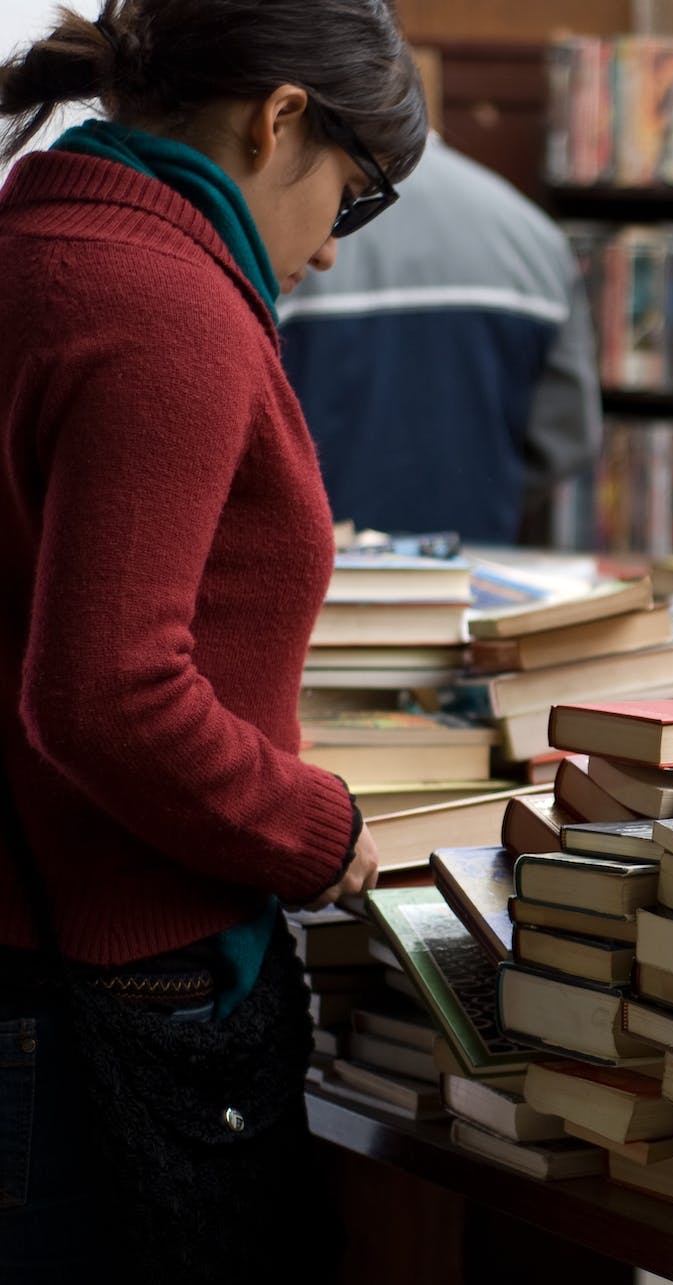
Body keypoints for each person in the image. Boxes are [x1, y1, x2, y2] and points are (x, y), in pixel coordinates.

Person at [0, 1, 425, 1279]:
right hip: (101, 988)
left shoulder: (40, 247)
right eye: (351, 200)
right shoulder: (164, 305)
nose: (336, 253)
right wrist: (313, 828)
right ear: (279, 117)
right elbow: (108, 693)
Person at [277, 130, 602, 546]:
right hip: (472, 570)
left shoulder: (292, 238)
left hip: (321, 572)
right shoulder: (534, 238)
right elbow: (566, 439)